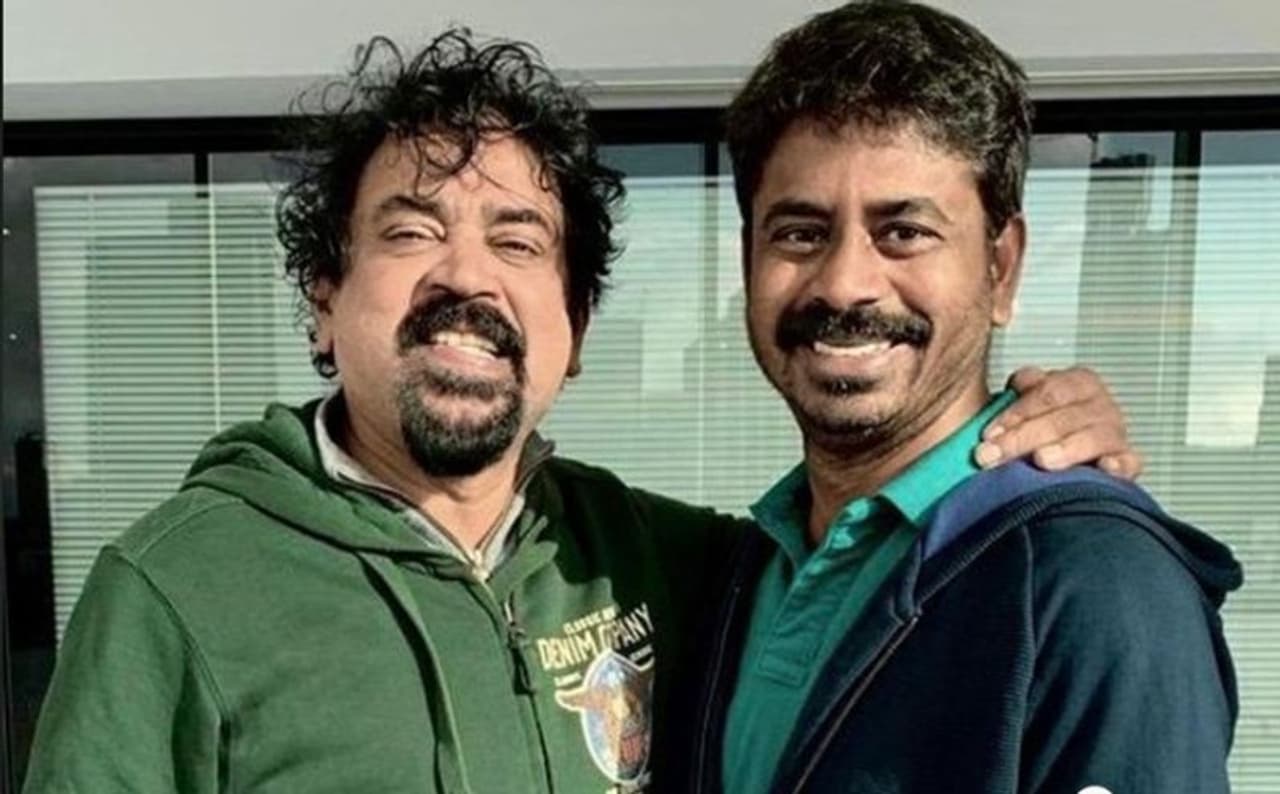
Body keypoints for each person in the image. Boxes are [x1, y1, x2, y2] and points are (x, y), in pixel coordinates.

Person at [23, 28, 1141, 794]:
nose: (467, 276)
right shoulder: (174, 590)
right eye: (411, 231)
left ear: (575, 326)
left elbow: (869, 537)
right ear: (324, 297)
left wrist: (1037, 426)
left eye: (518, 242)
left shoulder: (668, 563)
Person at [682, 3, 1243, 793]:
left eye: (903, 232)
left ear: (1000, 269)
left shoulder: (1094, 582)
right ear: (748, 261)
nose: (845, 283)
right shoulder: (727, 571)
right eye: (801, 233)